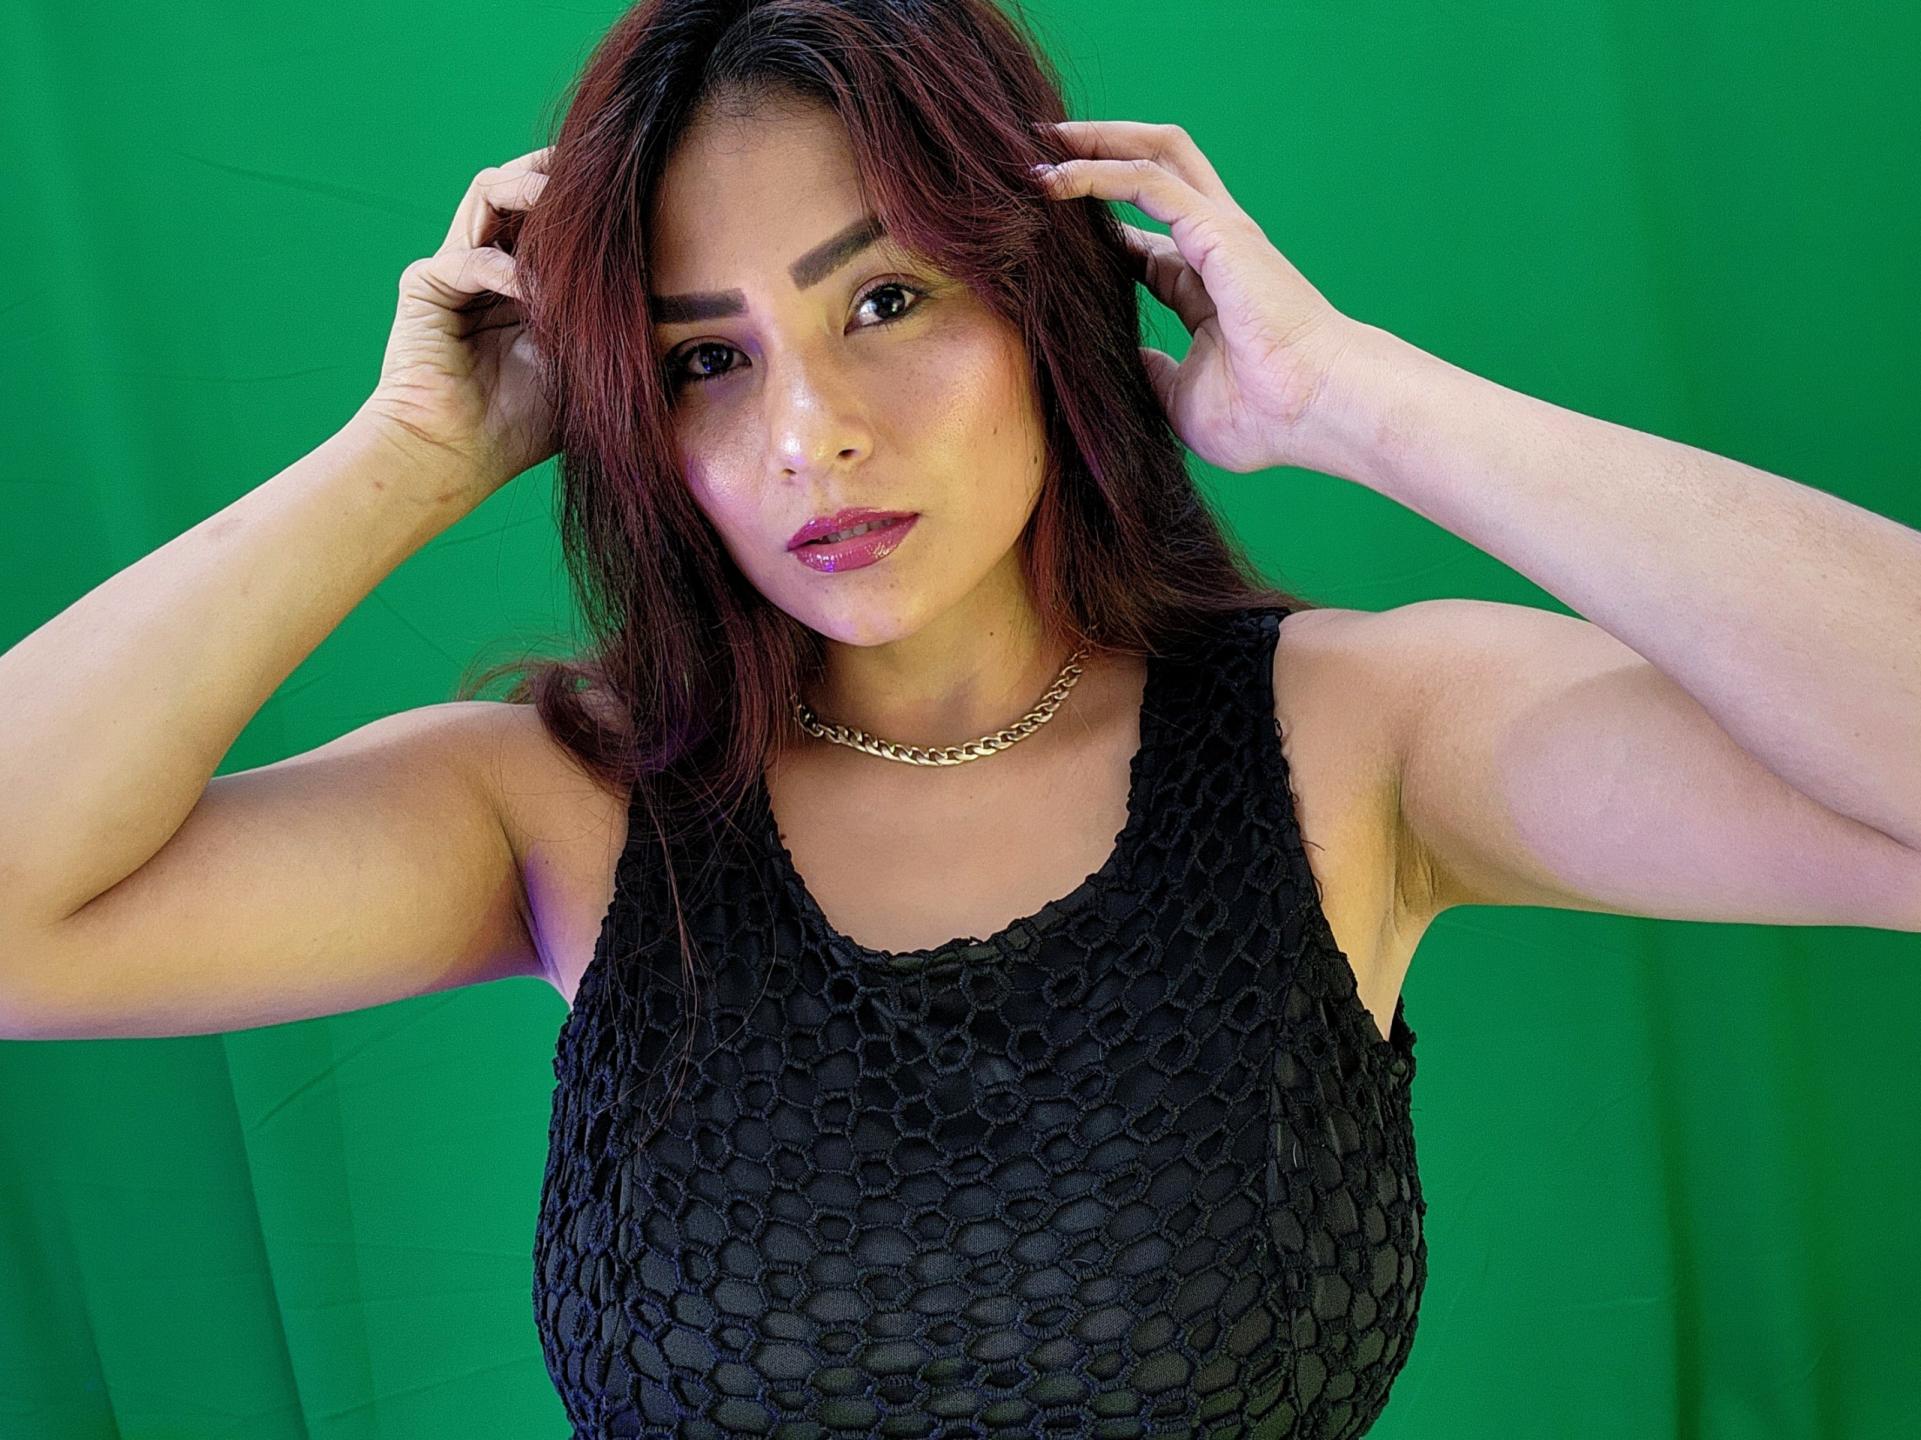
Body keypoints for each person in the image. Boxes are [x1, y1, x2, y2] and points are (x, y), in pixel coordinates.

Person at [6, 2, 1917, 1436]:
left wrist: (1350, 398)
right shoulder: (565, 808)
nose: (808, 434)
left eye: (886, 300)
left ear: (1044, 298)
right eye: (701, 358)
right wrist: (403, 464)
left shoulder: (1350, 740)